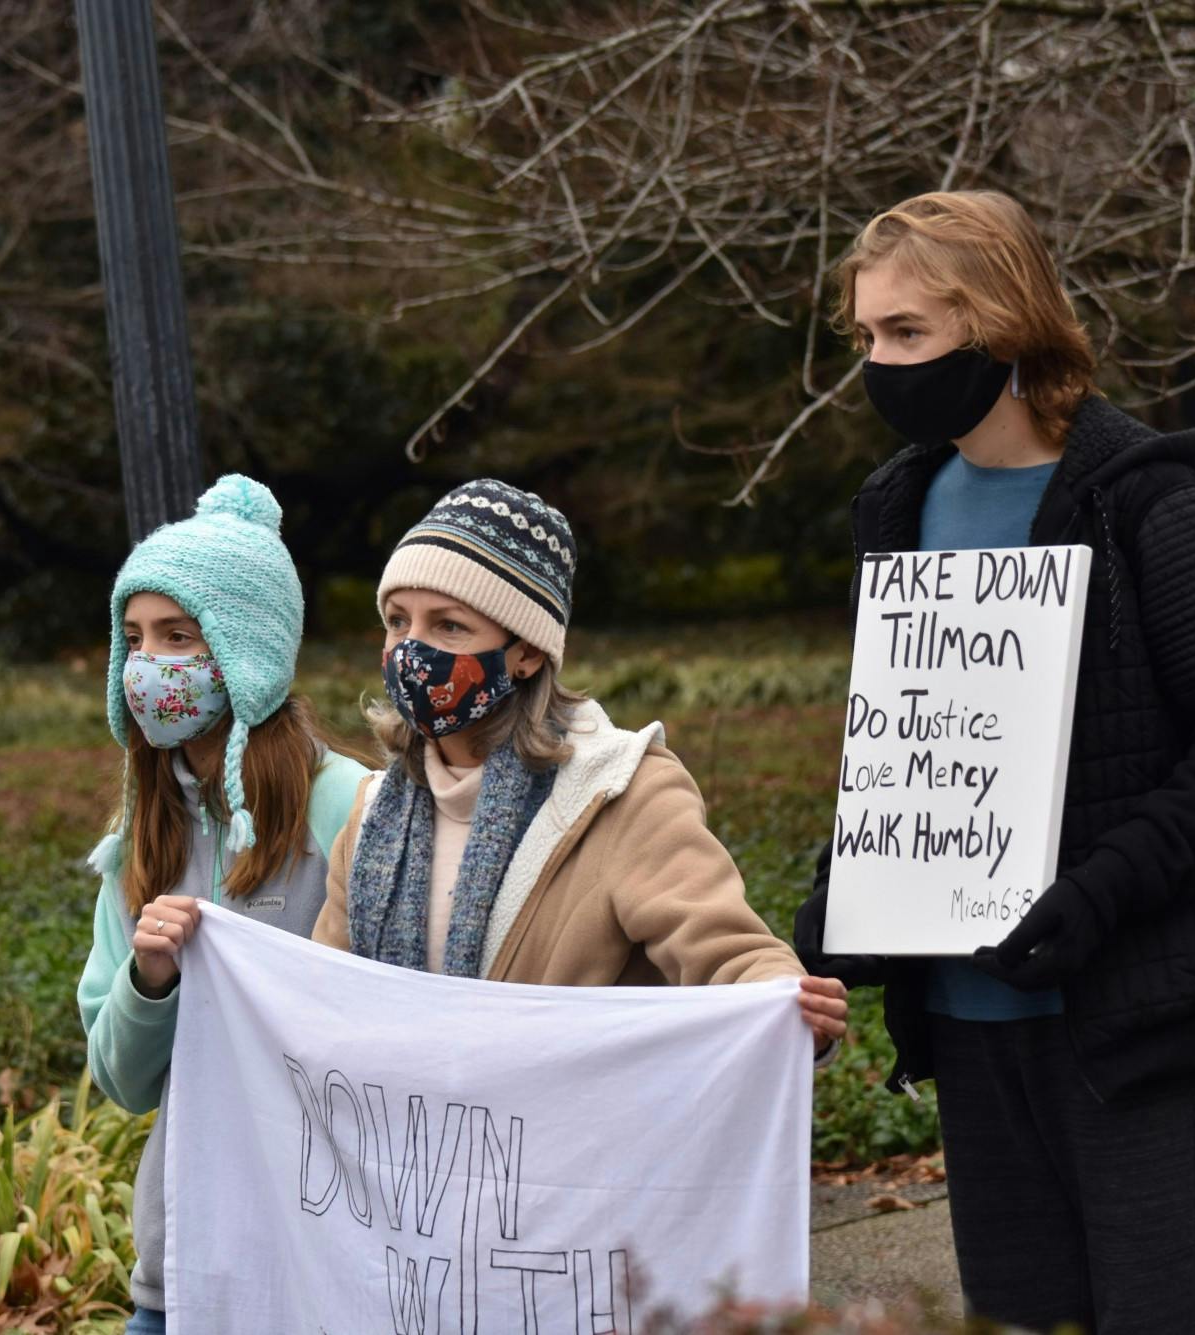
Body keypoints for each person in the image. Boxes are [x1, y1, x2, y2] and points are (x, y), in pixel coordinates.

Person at [791, 190, 1195, 1334]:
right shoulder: (893, 505)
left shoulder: (1145, 499)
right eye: (865, 338)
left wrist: (1097, 895)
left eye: (907, 334)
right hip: (967, 1027)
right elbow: (909, 739)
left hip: (1117, 1012)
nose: (878, 364)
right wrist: (849, 890)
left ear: (999, 321)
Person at [311, 479, 848, 1056]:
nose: (411, 650)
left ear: (527, 653)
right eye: (397, 621)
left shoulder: (622, 792)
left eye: (449, 626)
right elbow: (321, 994)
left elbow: (726, 949)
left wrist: (786, 1002)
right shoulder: (373, 813)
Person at [74, 476, 369, 1335]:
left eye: (177, 636)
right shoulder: (137, 840)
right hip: (182, 1272)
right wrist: (149, 978)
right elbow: (123, 1082)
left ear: (246, 650)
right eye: (133, 639)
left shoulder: (349, 809)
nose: (147, 665)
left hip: (322, 1264)